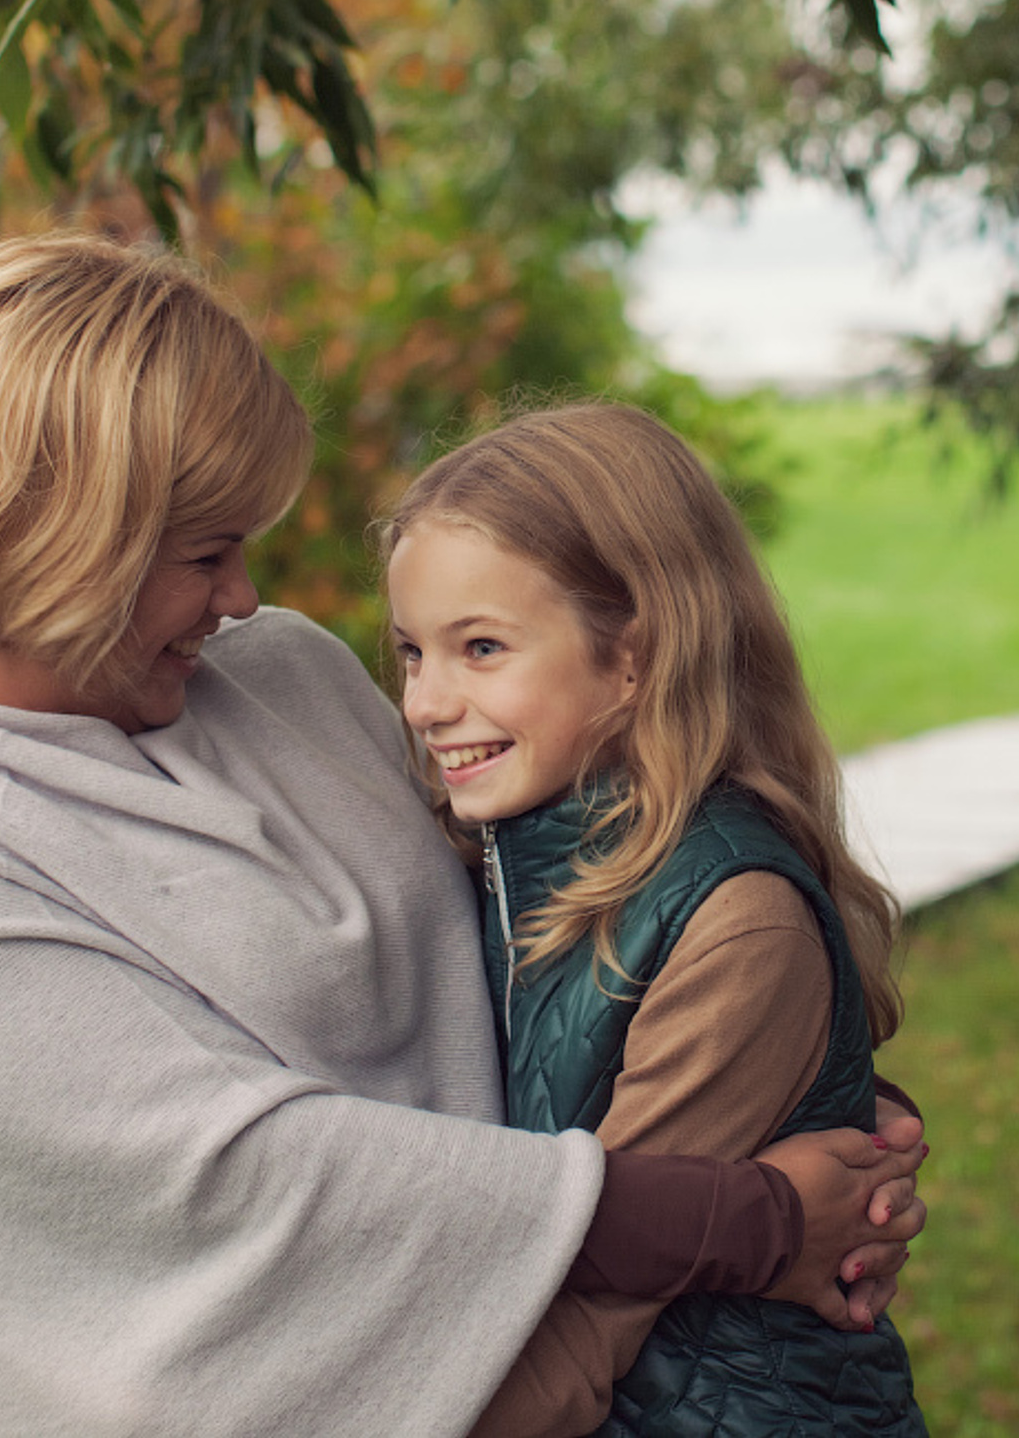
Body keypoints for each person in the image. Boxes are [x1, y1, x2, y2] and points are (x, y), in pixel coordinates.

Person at [0, 233, 927, 1438]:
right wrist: (751, 1222)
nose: (239, 598)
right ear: (73, 541)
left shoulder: (281, 675)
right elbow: (265, 1177)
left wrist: (797, 1072)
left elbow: (544, 941)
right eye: (206, 553)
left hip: (579, 1370)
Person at [383, 402, 928, 1437]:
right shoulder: (494, 854)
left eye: (482, 648)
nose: (423, 702)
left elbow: (593, 1325)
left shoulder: (734, 922)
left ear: (634, 655)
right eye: (414, 653)